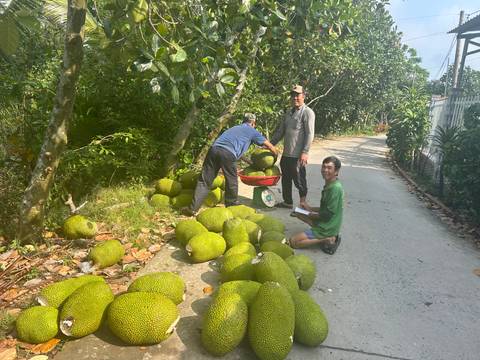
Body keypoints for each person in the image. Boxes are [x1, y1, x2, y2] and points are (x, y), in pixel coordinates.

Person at [182, 113, 278, 216]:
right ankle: (231, 204)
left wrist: (250, 163)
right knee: (231, 179)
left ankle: (193, 208)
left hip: (214, 150)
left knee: (204, 181)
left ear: (243, 121)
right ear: (253, 123)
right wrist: (275, 156)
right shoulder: (252, 131)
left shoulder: (235, 128)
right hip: (227, 154)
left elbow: (234, 153)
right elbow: (269, 146)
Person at [270, 84, 315, 210]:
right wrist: (270, 144)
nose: (295, 98)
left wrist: (305, 152)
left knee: (299, 180)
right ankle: (287, 202)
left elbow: (310, 133)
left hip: (297, 155)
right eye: (293, 95)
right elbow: (280, 132)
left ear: (303, 96)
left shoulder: (307, 112)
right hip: (286, 154)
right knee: (286, 180)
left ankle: (302, 204)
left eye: (298, 95)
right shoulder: (288, 113)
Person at [289, 156, 343, 254]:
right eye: (324, 167)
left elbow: (327, 215)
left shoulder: (334, 189)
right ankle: (322, 233)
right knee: (298, 213)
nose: (325, 170)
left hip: (327, 226)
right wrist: (309, 208)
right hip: (328, 222)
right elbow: (325, 209)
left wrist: (311, 214)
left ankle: (326, 238)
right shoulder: (331, 184)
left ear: (336, 171)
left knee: (293, 242)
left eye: (329, 168)